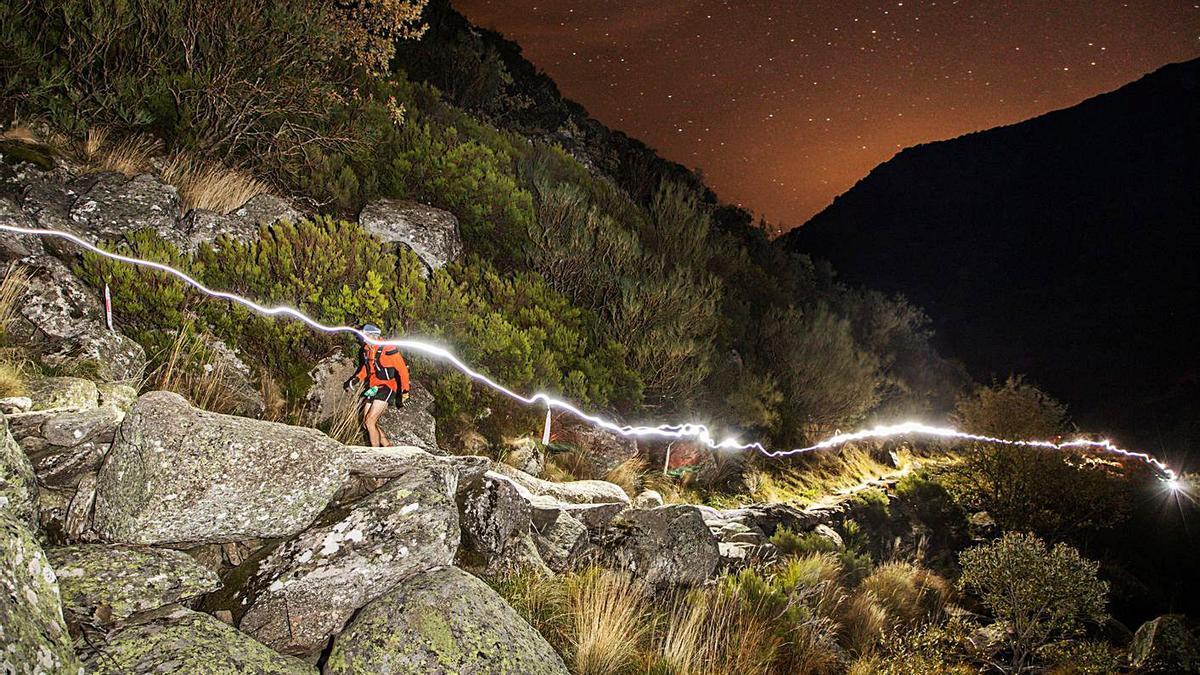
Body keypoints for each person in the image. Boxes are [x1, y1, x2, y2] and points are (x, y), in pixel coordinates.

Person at [343, 324, 410, 447]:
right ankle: (387, 446)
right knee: (365, 423)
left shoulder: (388, 349)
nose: (361, 338)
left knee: (370, 421)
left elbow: (402, 370)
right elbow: (366, 367)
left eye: (364, 335)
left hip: (387, 386)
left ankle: (376, 453)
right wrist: (356, 379)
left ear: (373, 335)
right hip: (373, 388)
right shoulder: (366, 350)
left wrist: (405, 391)